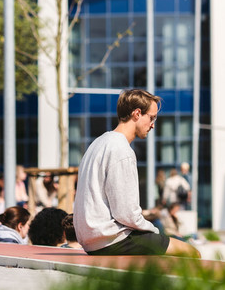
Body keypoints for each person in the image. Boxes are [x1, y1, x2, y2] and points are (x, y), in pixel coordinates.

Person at [74, 88, 200, 258]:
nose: (153, 125)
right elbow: (127, 213)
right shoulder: (121, 150)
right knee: (191, 253)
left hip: (91, 240)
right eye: (151, 118)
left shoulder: (98, 143)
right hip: (112, 240)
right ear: (137, 113)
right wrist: (154, 232)